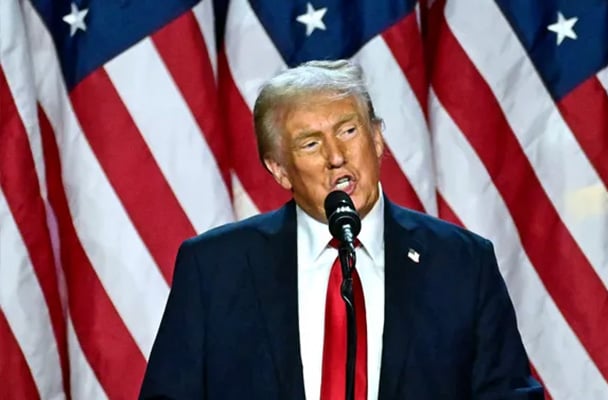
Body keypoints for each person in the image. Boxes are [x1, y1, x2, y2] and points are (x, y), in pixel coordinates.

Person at [139, 60, 543, 399]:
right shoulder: (215, 268)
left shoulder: (460, 262)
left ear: (378, 139)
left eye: (348, 131)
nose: (336, 156)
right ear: (279, 170)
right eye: (310, 144)